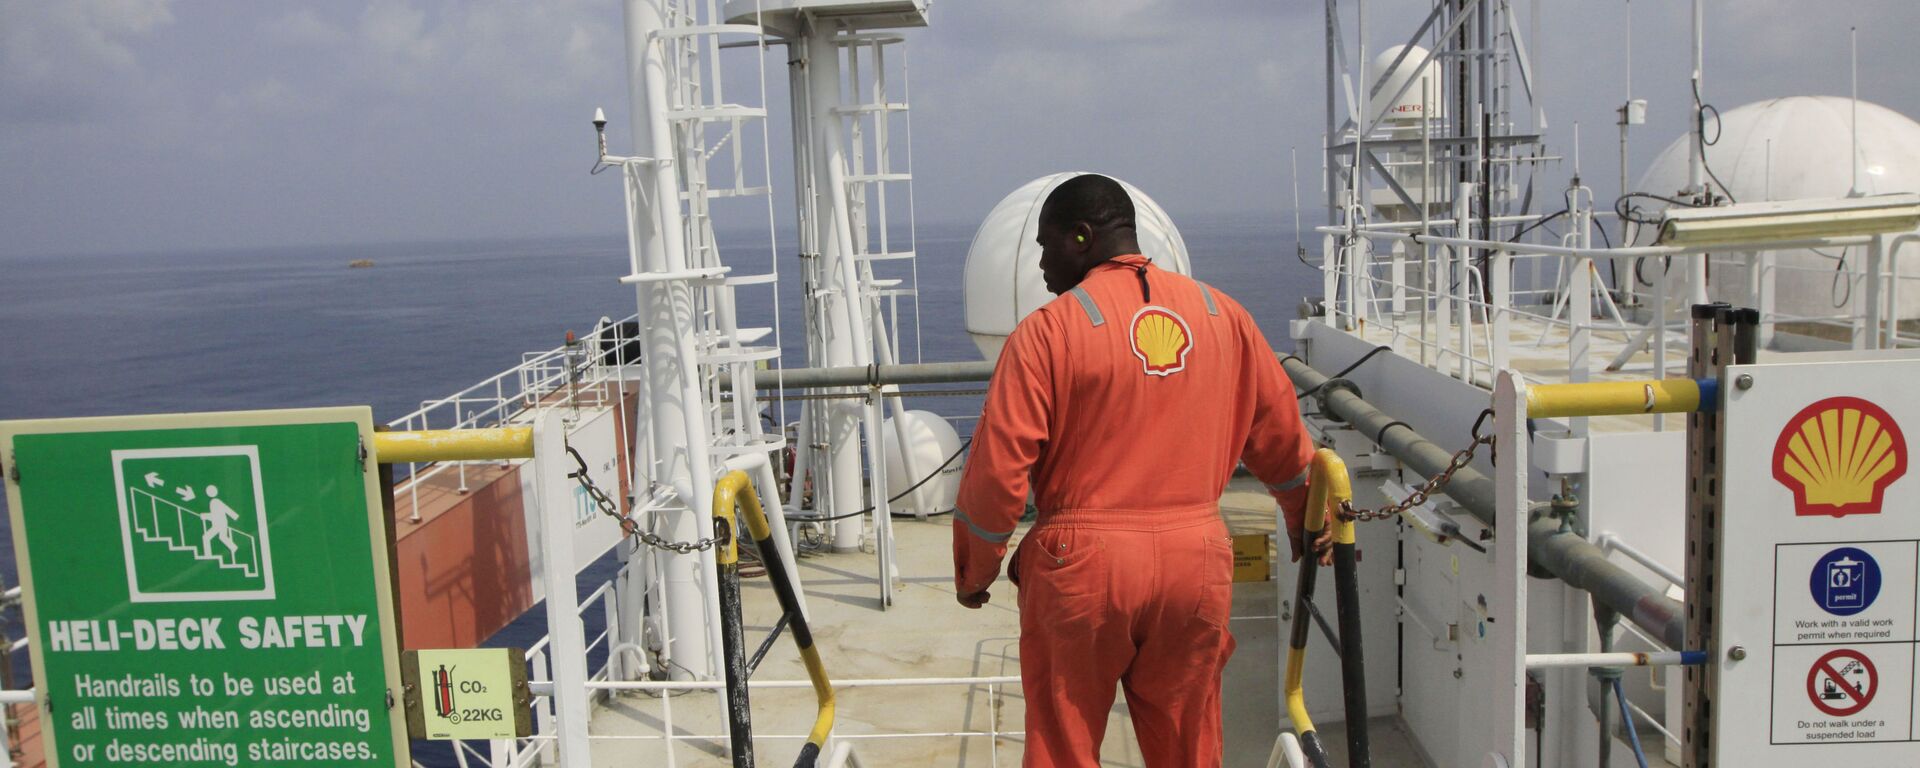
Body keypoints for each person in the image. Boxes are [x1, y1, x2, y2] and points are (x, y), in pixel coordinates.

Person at [952, 173, 1318, 767]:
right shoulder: (1225, 316)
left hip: (1081, 571)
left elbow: (997, 471)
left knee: (1063, 748)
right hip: (1196, 563)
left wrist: (976, 569)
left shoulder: (1047, 334)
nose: (1041, 263)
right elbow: (1281, 437)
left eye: (1047, 245)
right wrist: (1307, 520)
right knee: (1189, 749)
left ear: (1081, 236)